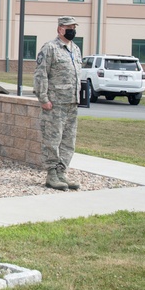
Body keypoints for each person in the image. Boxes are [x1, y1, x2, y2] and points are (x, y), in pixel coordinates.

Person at [33, 16, 83, 191]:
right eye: (69, 27)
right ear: (60, 29)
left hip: (71, 103)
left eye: (74, 27)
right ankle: (52, 174)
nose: (73, 30)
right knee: (52, 139)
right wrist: (44, 99)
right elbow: (41, 74)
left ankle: (62, 172)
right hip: (55, 103)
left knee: (68, 140)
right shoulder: (50, 48)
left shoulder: (75, 49)